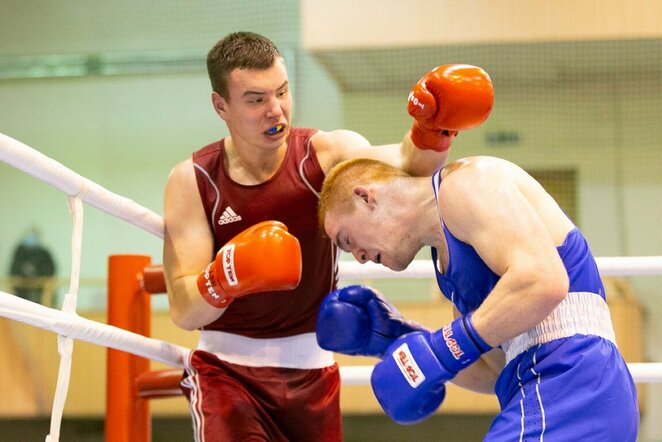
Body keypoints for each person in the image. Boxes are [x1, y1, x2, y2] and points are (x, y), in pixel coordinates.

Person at [162, 31, 493, 441]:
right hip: (226, 372)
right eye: (256, 99)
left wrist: (435, 124)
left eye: (282, 92)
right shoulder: (194, 181)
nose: (276, 110)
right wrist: (226, 276)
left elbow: (410, 165)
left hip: (312, 374)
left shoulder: (325, 153)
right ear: (221, 105)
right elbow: (183, 311)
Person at [316, 156, 639, 441]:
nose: (357, 257)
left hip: (571, 378)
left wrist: (444, 347)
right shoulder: (449, 268)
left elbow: (544, 281)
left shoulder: (466, 183)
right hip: (548, 386)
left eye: (347, 239)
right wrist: (400, 339)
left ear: (365, 197)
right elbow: (492, 371)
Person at [9, 227, 57, 305]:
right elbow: (13, 268)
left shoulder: (44, 253)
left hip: (39, 288)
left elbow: (51, 269)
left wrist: (38, 279)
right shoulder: (20, 251)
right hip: (21, 287)